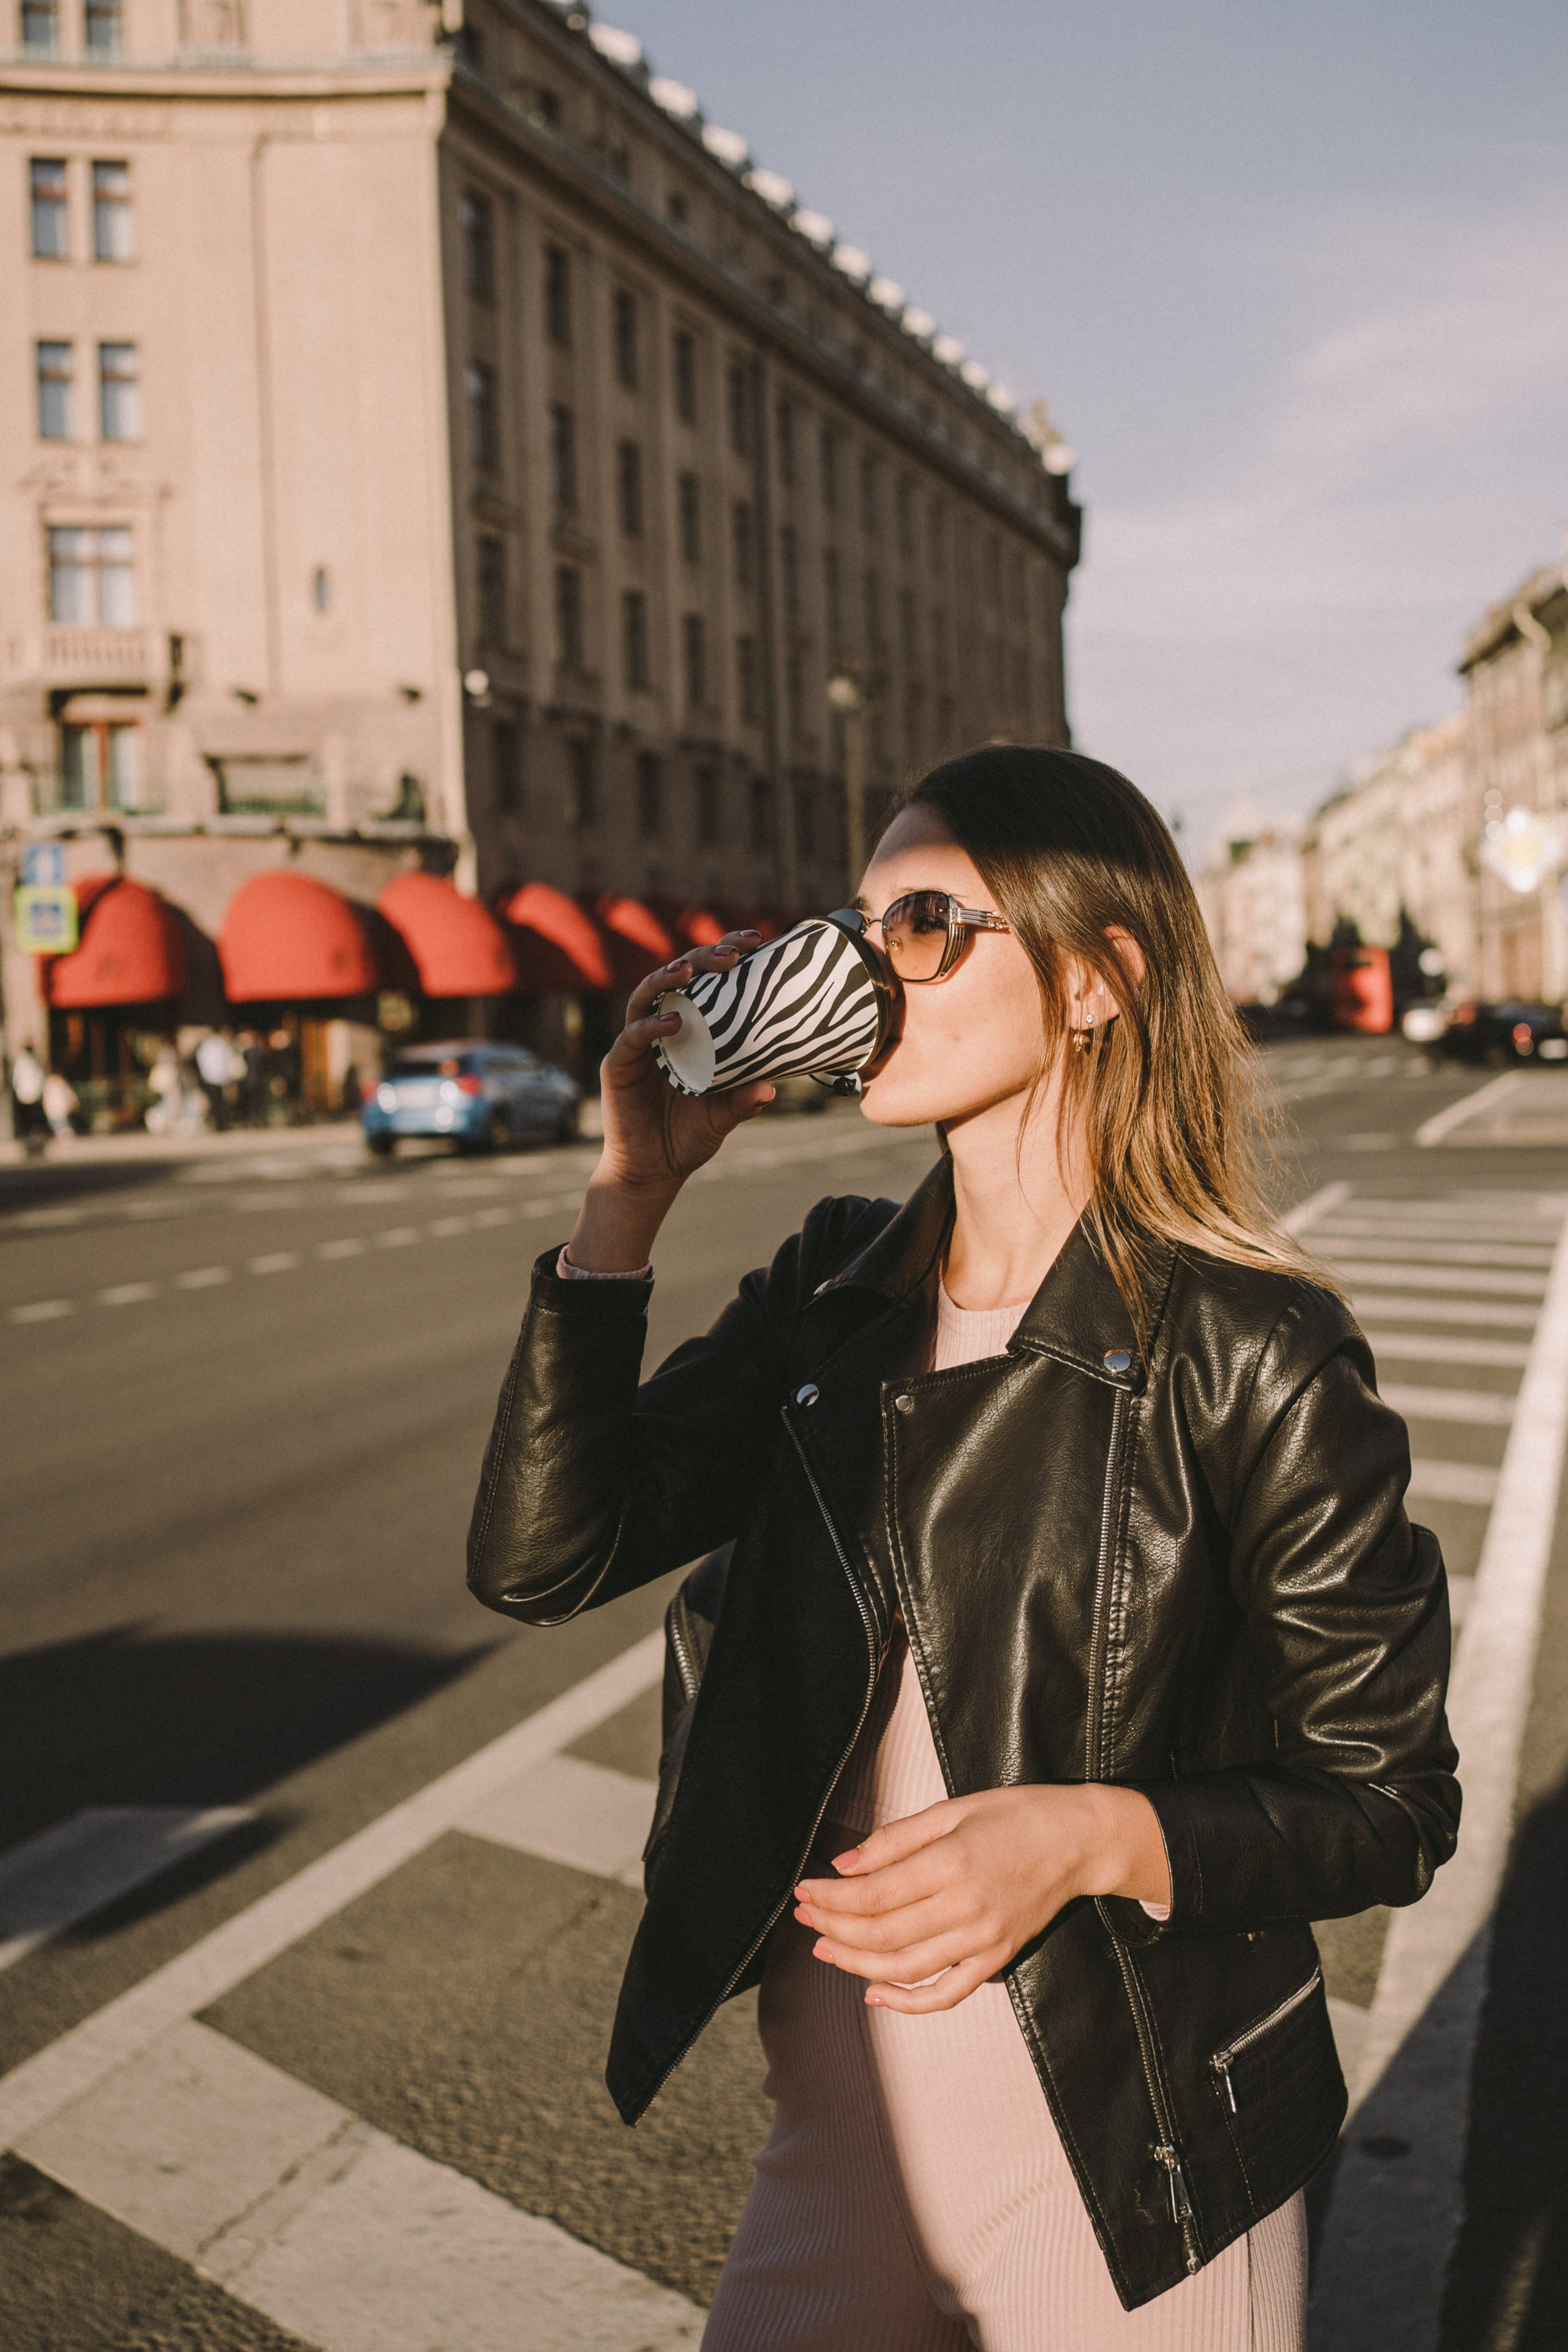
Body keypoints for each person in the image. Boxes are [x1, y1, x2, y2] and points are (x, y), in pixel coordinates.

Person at [467, 746, 1459, 2348]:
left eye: (924, 923)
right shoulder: (836, 1289)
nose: (863, 967)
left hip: (1140, 2185)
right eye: (853, 925)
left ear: (1094, 983)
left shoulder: (1250, 1351)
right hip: (835, 2146)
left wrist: (1081, 1838)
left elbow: (1388, 1799)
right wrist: (625, 1205)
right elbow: (545, 1556)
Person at [10, 1041, 49, 1156]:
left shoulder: (33, 1059)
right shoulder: (24, 1060)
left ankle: (35, 1142)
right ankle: (30, 1145)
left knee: (34, 1119)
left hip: (31, 1093)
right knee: (29, 1119)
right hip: (26, 1093)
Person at [42, 1066, 78, 1140]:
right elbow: (68, 1094)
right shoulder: (56, 1083)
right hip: (58, 1108)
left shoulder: (51, 1083)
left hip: (55, 1109)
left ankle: (65, 1137)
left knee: (61, 1125)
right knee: (61, 1125)